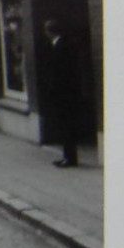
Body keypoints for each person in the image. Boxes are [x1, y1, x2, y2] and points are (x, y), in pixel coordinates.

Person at [40, 19, 82, 168]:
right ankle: (67, 156)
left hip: (64, 95)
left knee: (66, 126)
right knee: (66, 126)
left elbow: (60, 73)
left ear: (50, 32)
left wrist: (53, 91)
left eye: (46, 31)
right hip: (67, 93)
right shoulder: (63, 44)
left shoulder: (61, 46)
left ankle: (70, 158)